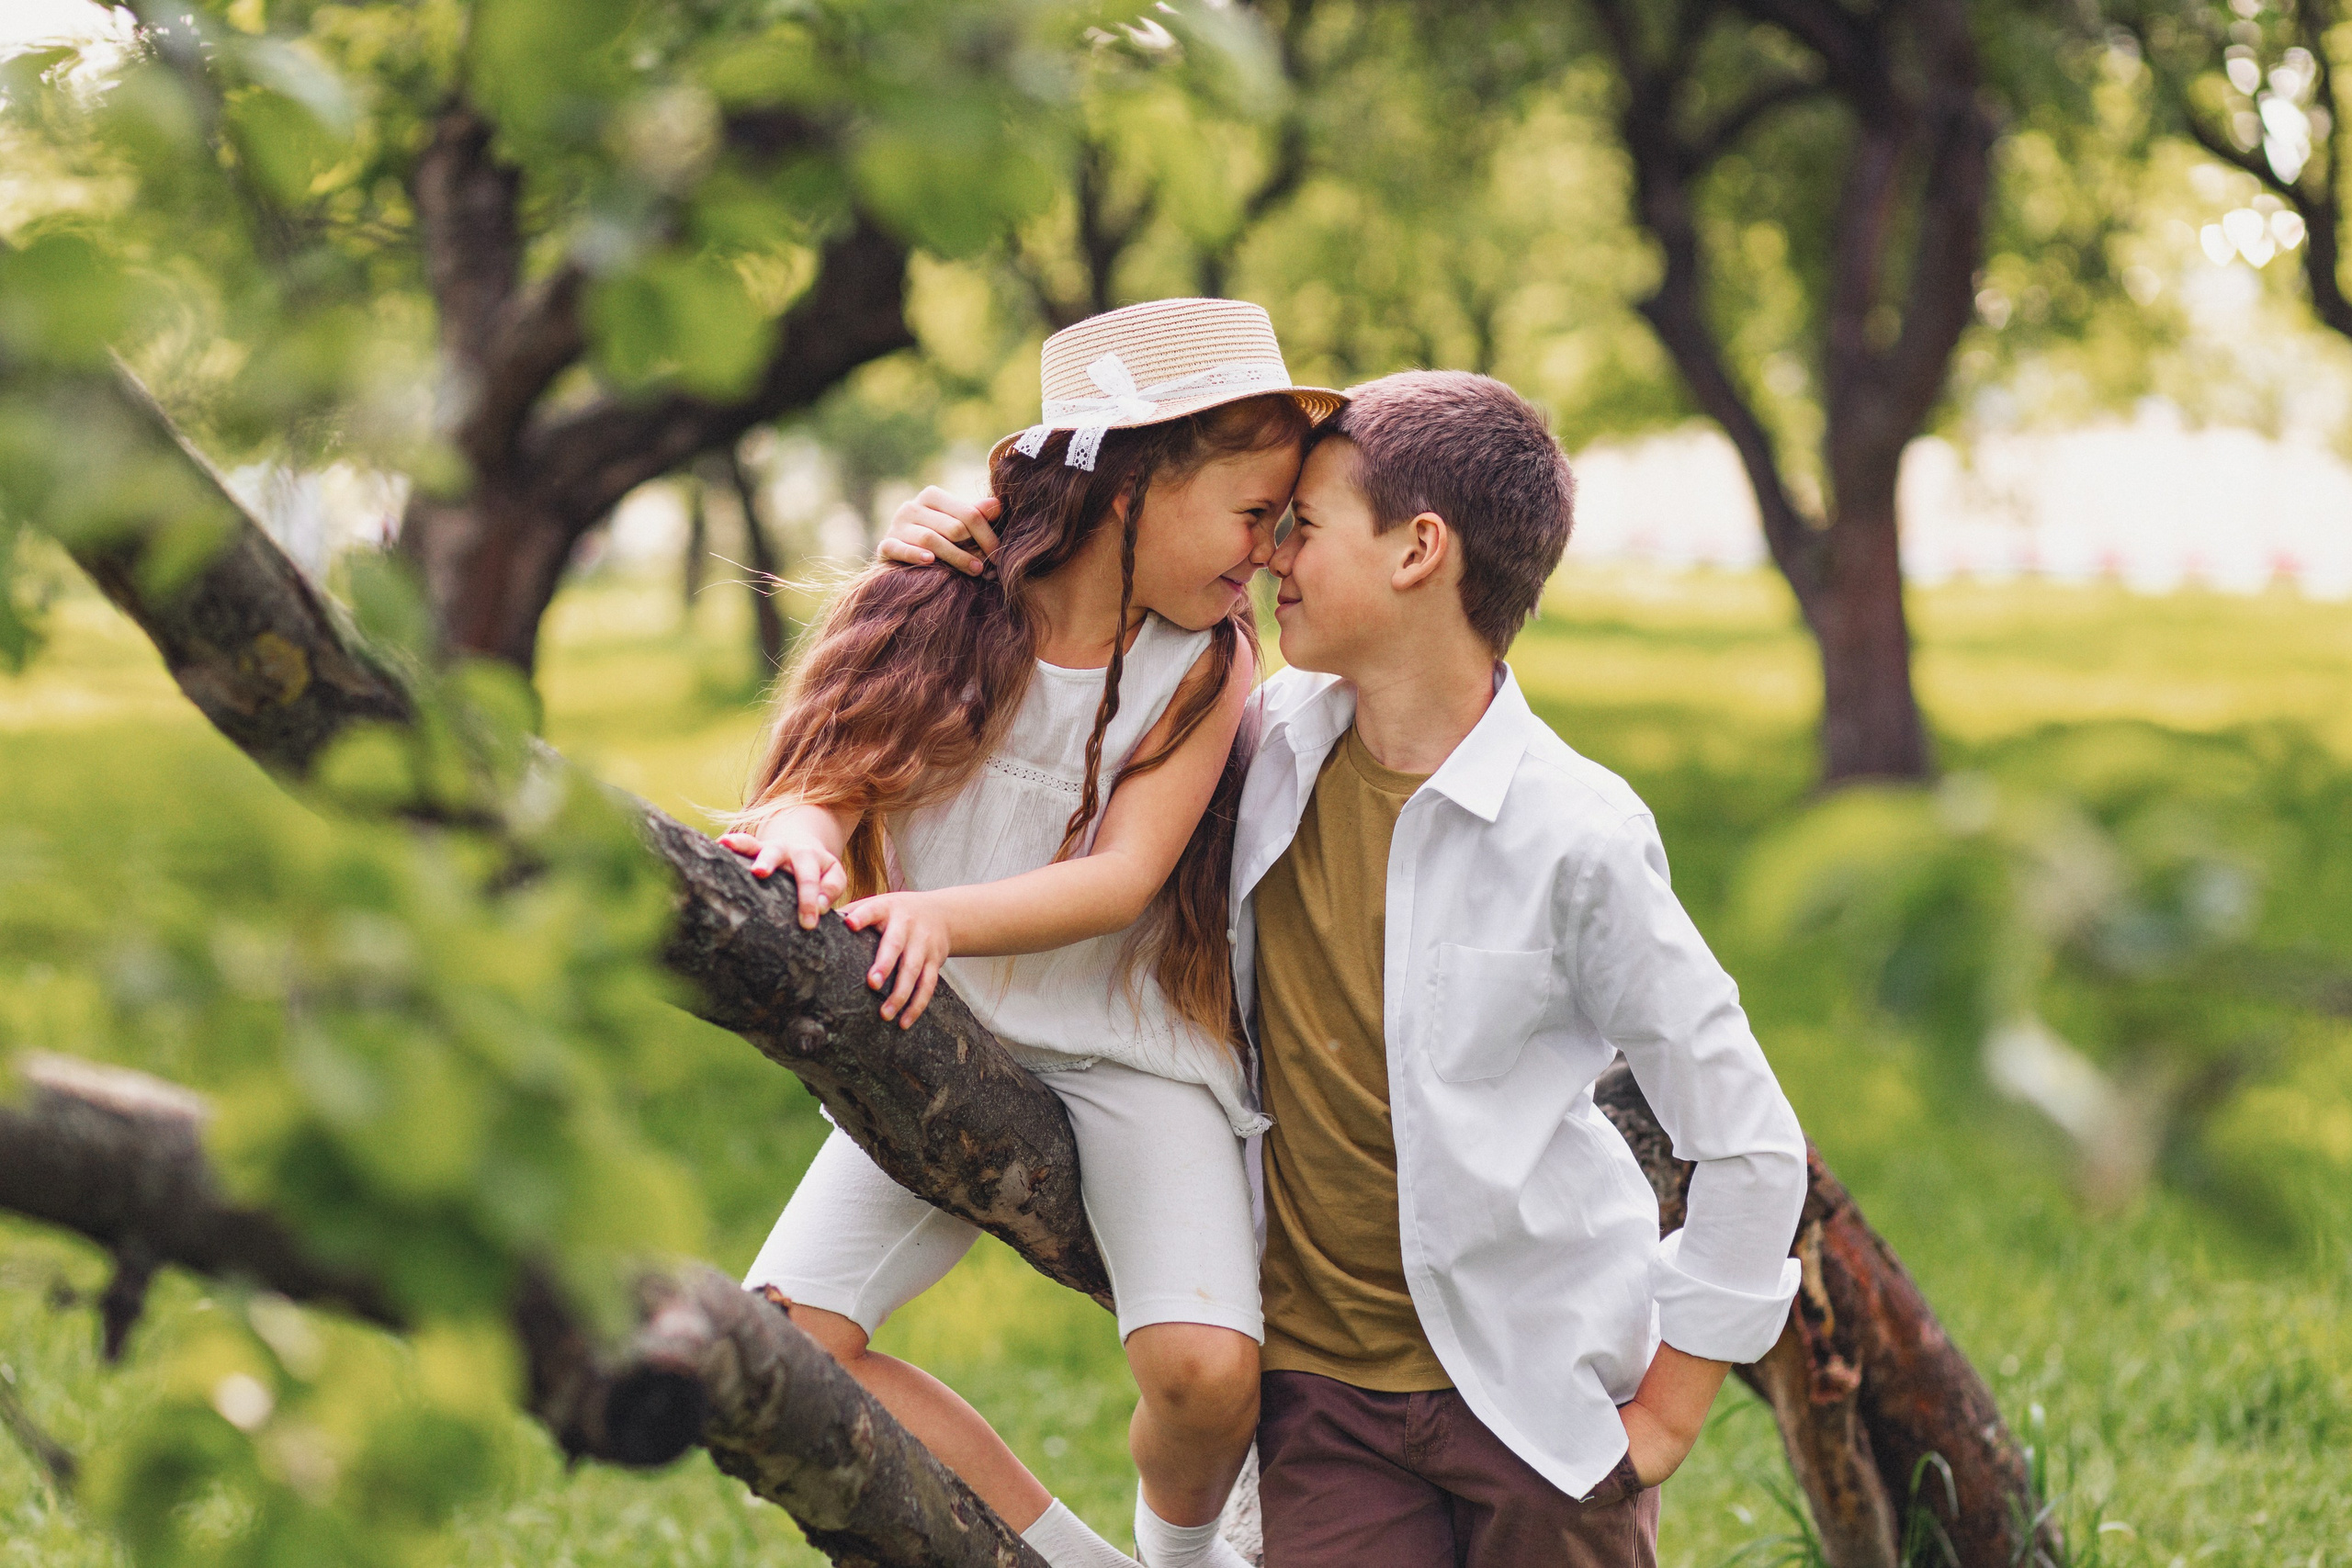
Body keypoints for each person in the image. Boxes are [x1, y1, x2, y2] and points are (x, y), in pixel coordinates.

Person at [882, 369, 1809, 1567]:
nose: (1269, 555)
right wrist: (960, 532)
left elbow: (1748, 1141)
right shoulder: (1261, 750)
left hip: (1536, 1402)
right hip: (1324, 1408)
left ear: (1419, 553)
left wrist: (1669, 1412)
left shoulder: (1575, 835)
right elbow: (1103, 623)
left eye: (1303, 528)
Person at [719, 298, 1343, 1568]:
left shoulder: (1207, 663)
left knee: (1207, 1373)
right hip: (927, 1028)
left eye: (1283, 522)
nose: (1267, 552)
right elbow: (831, 775)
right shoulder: (945, 599)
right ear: (1134, 485)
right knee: (778, 1352)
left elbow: (1123, 878)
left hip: (1126, 1046)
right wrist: (799, 833)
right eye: (1251, 514)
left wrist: (938, 915)